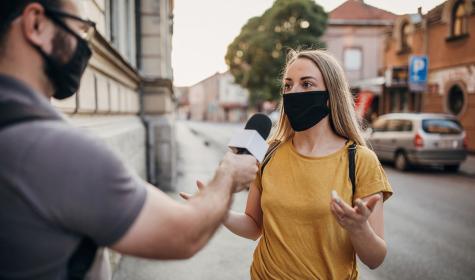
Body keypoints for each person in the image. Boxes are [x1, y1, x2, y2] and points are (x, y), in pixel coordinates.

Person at [0, 1, 258, 279]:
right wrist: (229, 175)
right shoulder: (56, 150)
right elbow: (185, 235)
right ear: (36, 23)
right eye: (81, 30)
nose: (84, 46)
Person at [183, 49, 393, 279]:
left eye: (306, 84)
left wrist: (359, 228)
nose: (293, 92)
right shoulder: (269, 152)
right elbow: (254, 226)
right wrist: (218, 211)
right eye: (288, 85)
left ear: (330, 95)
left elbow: (375, 259)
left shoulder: (360, 160)